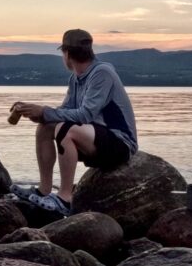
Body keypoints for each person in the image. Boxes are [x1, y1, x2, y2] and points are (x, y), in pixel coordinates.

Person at [10, 29, 137, 215]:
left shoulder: (102, 73)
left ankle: (65, 198)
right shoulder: (76, 79)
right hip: (94, 138)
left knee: (65, 129)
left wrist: (46, 111)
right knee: (46, 127)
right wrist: (39, 115)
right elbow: (65, 111)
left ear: (67, 53)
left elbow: (85, 115)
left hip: (120, 143)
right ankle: (44, 190)